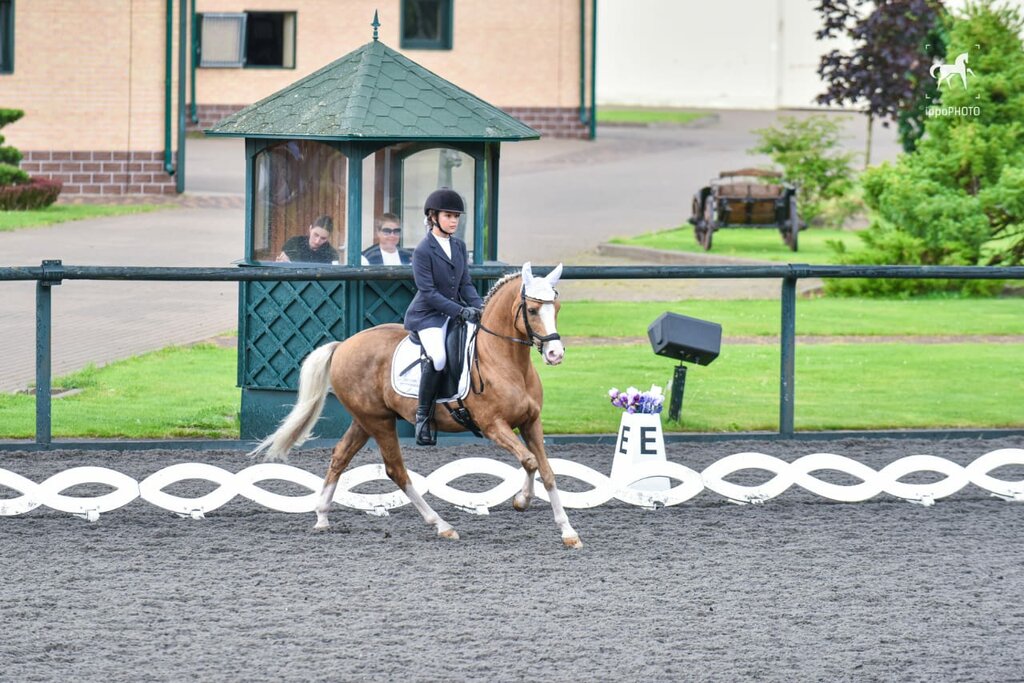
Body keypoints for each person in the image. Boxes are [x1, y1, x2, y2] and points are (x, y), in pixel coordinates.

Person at [403, 188, 484, 446]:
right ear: (433, 217)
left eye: (456, 217)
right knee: (438, 357)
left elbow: (466, 284)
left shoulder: (459, 246)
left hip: (454, 313)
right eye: (449, 216)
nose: (454, 221)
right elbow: (428, 292)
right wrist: (460, 311)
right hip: (427, 316)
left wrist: (481, 308)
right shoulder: (423, 250)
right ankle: (423, 418)